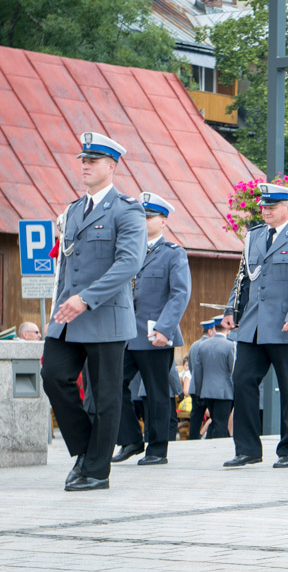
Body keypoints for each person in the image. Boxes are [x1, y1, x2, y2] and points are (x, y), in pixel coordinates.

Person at [41, 132, 146, 491]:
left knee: (104, 398)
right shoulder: (73, 210)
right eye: (83, 160)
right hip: (67, 319)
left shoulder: (127, 209)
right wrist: (58, 309)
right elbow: (66, 268)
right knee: (53, 376)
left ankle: (97, 472)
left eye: (93, 160)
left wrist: (86, 298)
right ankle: (86, 451)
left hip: (105, 317)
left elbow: (128, 263)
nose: (85, 165)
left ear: (111, 166)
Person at [221, 183, 288, 468]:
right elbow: (243, 278)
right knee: (242, 380)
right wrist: (231, 309)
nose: (266, 211)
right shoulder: (254, 236)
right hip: (252, 326)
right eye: (264, 206)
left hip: (285, 325)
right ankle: (247, 449)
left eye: (272, 206)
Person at [111, 192, 191, 466]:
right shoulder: (127, 250)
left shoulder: (173, 253)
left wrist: (165, 329)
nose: (143, 222)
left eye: (148, 217)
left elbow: (180, 294)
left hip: (155, 335)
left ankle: (157, 449)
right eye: (139, 217)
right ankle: (131, 439)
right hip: (125, 334)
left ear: (163, 221)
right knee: (112, 383)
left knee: (157, 392)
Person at [194, 316, 236, 439]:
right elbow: (233, 370)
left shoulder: (202, 345)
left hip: (206, 390)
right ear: (227, 328)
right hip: (224, 391)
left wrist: (198, 391)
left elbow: (198, 371)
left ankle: (209, 443)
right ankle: (218, 447)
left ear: (214, 328)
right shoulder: (230, 345)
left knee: (214, 420)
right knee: (221, 423)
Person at [186, 319, 216, 439]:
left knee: (195, 416)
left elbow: (191, 367)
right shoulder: (210, 345)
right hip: (208, 387)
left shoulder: (193, 345)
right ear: (210, 331)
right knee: (214, 416)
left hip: (195, 386)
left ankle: (193, 438)